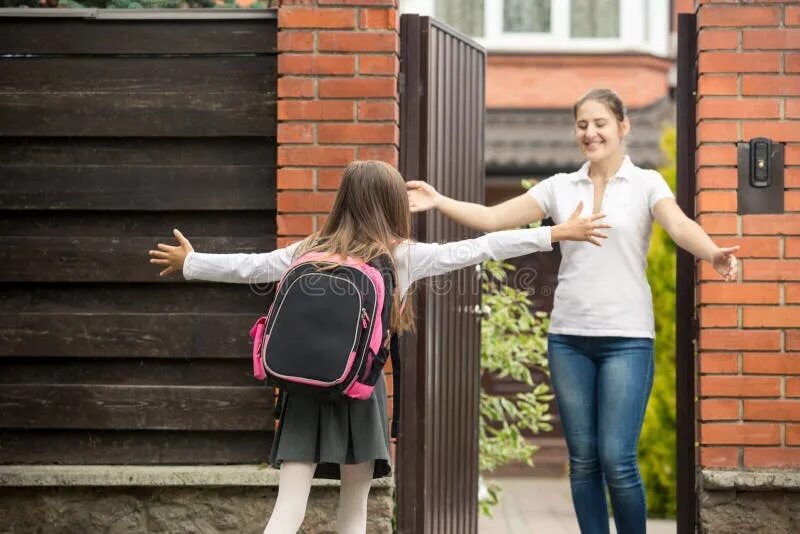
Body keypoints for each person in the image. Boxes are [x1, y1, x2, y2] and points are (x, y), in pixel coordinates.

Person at [148, 160, 609, 534]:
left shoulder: (308, 248)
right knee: (355, 511)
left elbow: (250, 267)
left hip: (301, 390)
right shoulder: (402, 255)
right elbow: (482, 247)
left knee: (287, 510)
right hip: (361, 391)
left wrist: (192, 262)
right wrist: (553, 234)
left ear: (343, 200)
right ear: (392, 204)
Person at [406, 88, 739, 534]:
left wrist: (713, 253)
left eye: (600, 123)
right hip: (569, 340)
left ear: (623, 126)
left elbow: (678, 225)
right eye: (583, 124)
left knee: (617, 459)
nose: (590, 132)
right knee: (582, 461)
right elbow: (492, 218)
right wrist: (439, 200)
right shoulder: (560, 186)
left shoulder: (646, 184)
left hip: (626, 339)